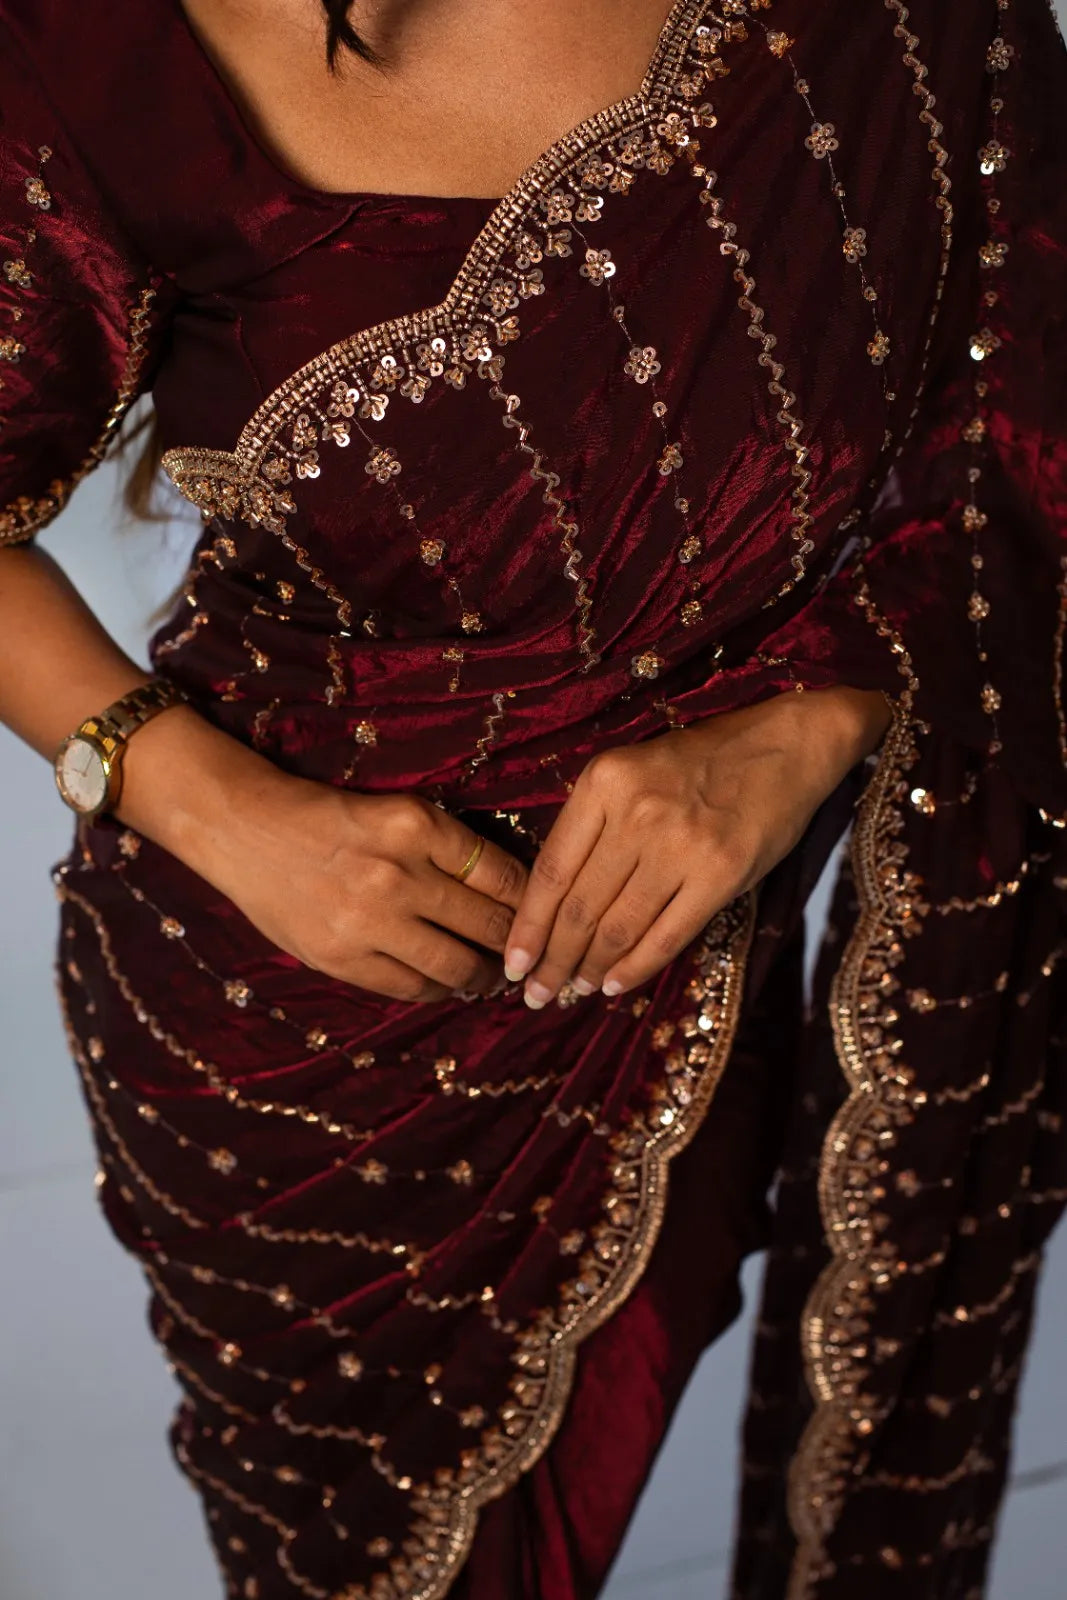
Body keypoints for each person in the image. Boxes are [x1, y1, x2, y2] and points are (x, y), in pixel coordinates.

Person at [1, 0, 1065, 1595]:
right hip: (306, 1050)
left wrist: (810, 723)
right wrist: (225, 814)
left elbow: (1010, 430)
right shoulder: (91, 44)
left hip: (707, 944)